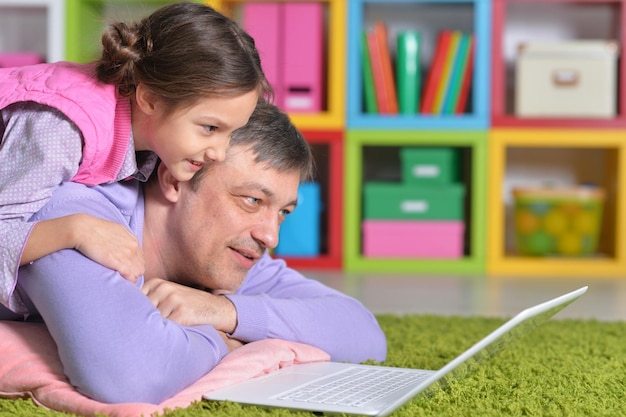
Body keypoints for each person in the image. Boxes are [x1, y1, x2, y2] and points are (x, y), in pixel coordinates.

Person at [3, 102, 387, 404]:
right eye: (252, 201)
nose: (270, 235)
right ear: (175, 178)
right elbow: (131, 374)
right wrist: (225, 342)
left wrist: (225, 312)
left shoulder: (232, 256)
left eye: (284, 212)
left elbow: (365, 335)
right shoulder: (75, 213)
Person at [0, 1, 269, 314]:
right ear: (150, 99)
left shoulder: (150, 138)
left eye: (230, 132)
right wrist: (77, 230)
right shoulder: (60, 129)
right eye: (209, 128)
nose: (219, 153)